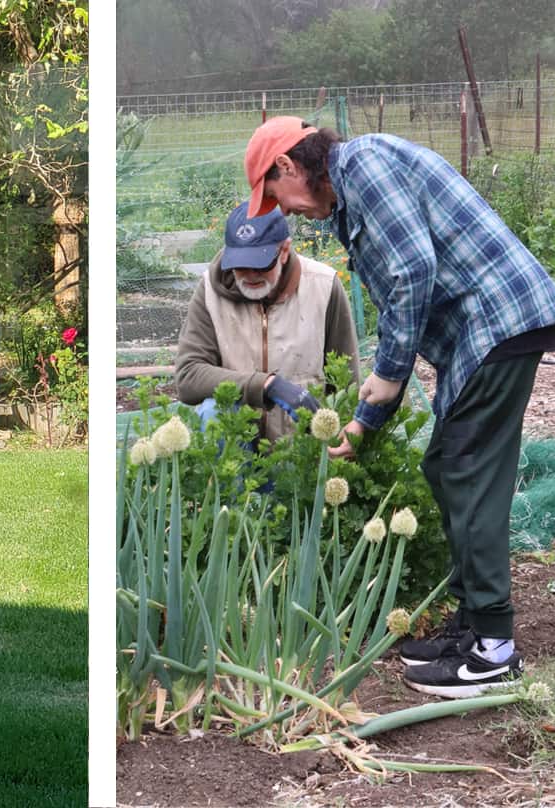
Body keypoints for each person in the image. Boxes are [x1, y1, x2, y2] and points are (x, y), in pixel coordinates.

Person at [243, 115, 555, 698]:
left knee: (466, 472)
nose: (282, 211)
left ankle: (494, 651)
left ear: (287, 166)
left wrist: (387, 377)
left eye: (273, 195)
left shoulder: (365, 165)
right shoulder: (348, 194)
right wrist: (364, 424)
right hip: (482, 331)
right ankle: (473, 627)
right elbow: (400, 293)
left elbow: (412, 271)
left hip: (499, 320)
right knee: (445, 466)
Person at [175, 199, 359, 451]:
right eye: (239, 265)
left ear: (284, 250)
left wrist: (348, 439)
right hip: (235, 449)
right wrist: (266, 385)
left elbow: (347, 380)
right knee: (213, 410)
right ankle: (228, 491)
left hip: (298, 452)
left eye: (261, 264)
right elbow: (188, 375)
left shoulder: (323, 286)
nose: (250, 275)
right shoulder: (210, 291)